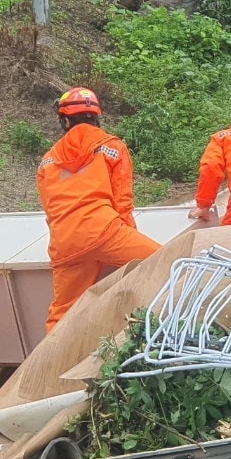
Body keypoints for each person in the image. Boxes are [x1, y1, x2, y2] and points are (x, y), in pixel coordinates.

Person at [37, 87, 158, 332]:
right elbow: (123, 203)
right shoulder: (111, 146)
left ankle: (47, 366)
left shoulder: (47, 160)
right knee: (168, 264)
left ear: (65, 120)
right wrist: (129, 245)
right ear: (96, 117)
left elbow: (50, 210)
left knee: (61, 315)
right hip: (104, 231)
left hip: (65, 244)